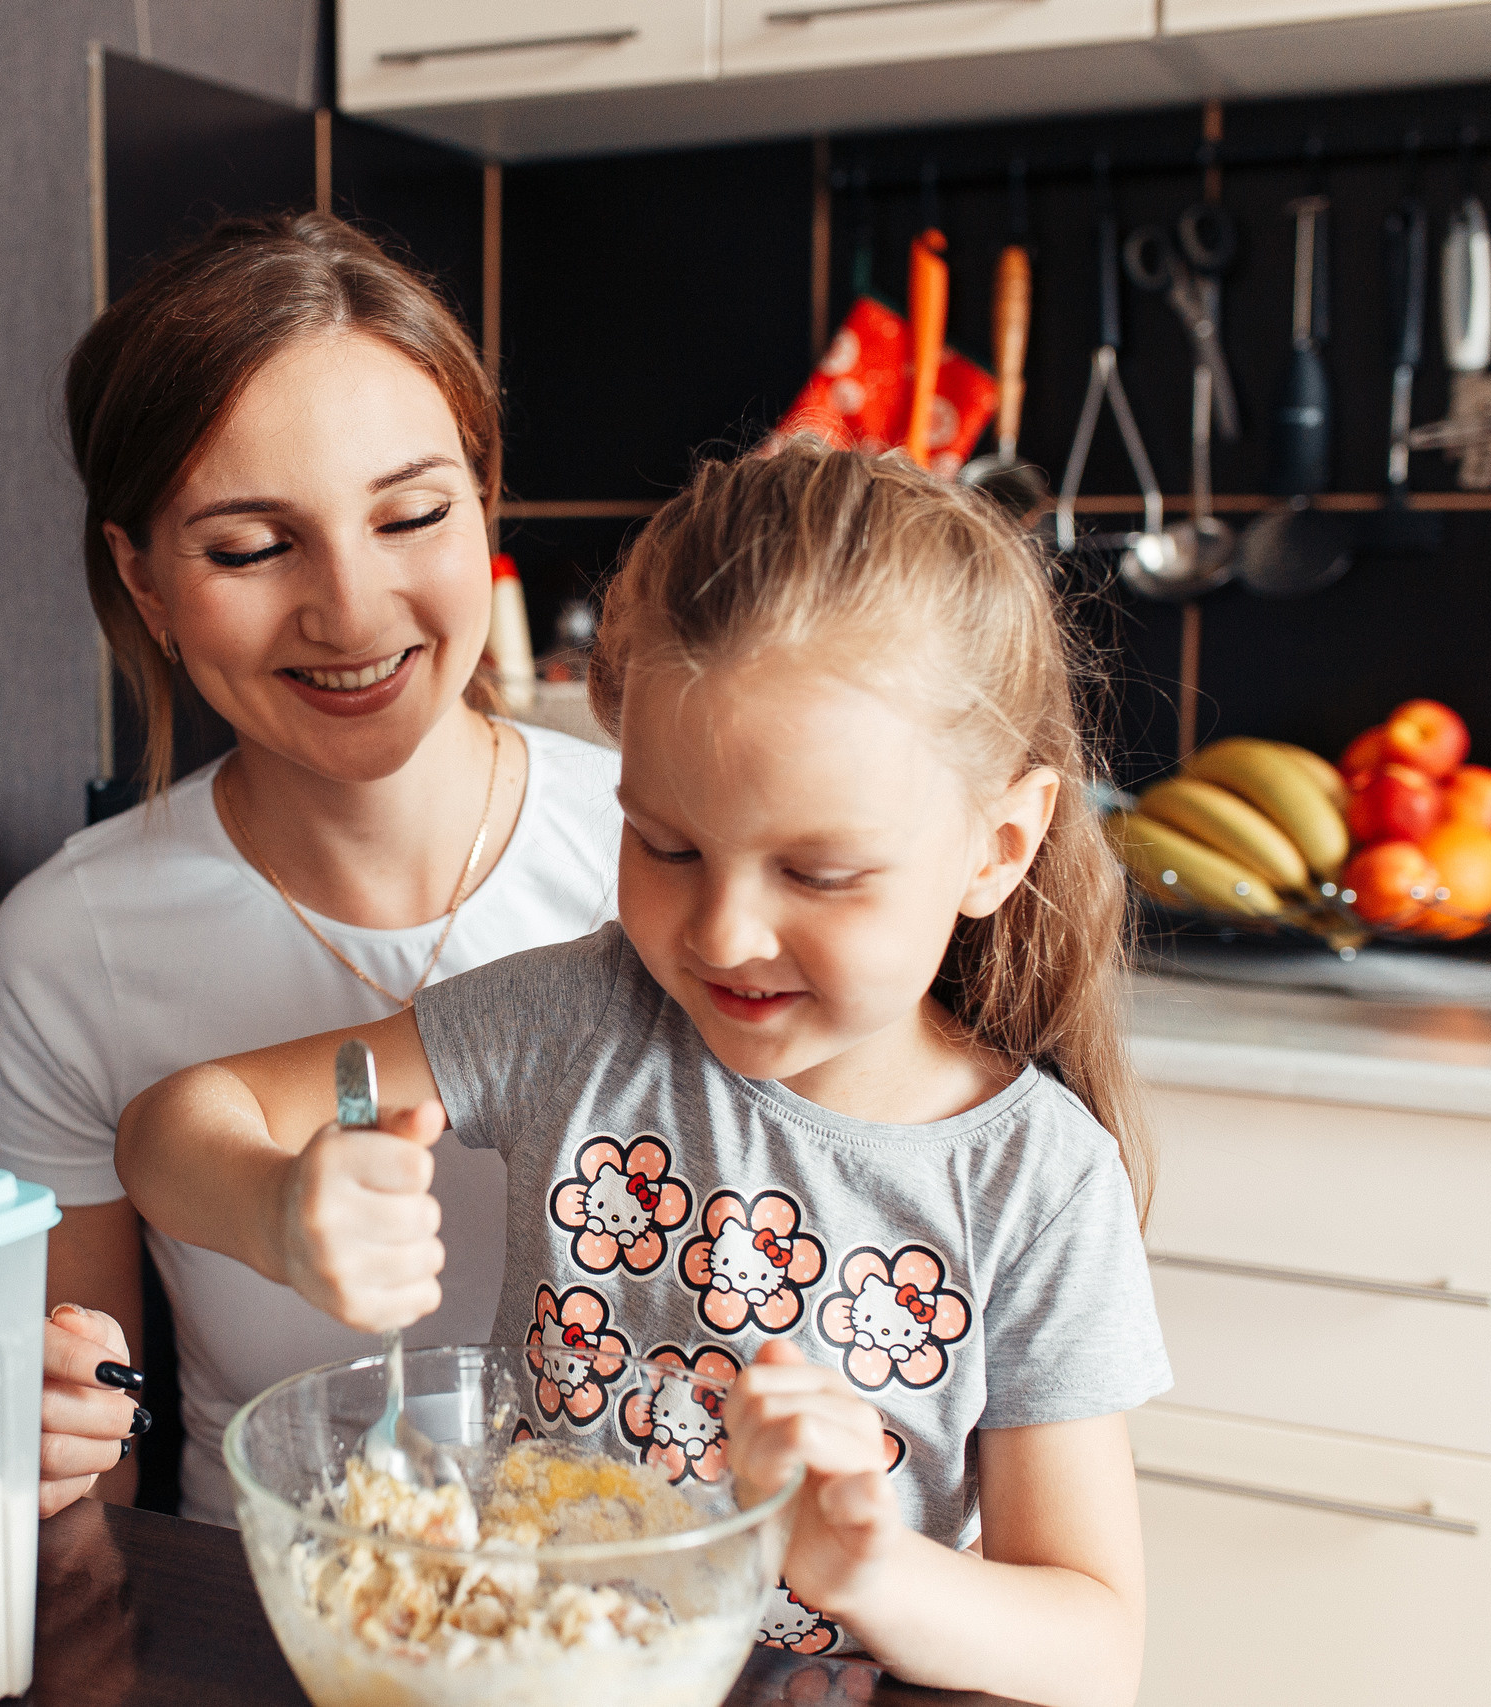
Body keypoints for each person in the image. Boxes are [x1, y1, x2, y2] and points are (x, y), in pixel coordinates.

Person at [116, 443, 1168, 1707]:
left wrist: (874, 1570)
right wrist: (276, 1207)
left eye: (817, 874)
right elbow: (174, 1126)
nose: (723, 932)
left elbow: (1093, 1645)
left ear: (996, 845)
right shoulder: (576, 1017)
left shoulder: (1035, 1183)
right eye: (666, 845)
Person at [0, 211, 622, 1526]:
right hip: (266, 1609)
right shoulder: (65, 947)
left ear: (481, 499)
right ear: (144, 582)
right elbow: (84, 1475)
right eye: (253, 547)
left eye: (413, 514)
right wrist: (28, 1430)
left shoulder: (675, 868)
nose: (352, 609)